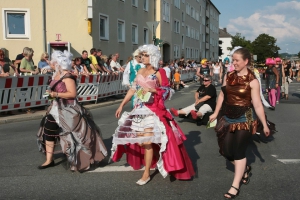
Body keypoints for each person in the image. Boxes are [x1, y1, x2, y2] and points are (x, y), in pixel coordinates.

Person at [111, 44, 195, 185]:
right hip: (139, 109)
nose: (142, 57)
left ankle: (146, 173)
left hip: (153, 110)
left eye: (145, 55)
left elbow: (168, 91)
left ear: (153, 56)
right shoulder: (140, 71)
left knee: (147, 142)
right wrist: (121, 105)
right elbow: (133, 90)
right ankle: (158, 158)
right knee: (141, 142)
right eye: (141, 55)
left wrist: (153, 90)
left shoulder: (159, 72)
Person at [209, 47, 270, 199]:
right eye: (233, 60)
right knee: (226, 151)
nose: (233, 63)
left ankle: (235, 186)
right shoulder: (228, 76)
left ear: (246, 61)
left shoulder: (253, 81)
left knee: (239, 151)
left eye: (236, 60)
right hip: (228, 115)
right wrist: (216, 113)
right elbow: (222, 96)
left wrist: (264, 124)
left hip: (246, 116)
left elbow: (256, 105)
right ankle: (245, 168)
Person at [36, 50, 107, 171]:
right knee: (48, 129)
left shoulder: (68, 77)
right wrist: (52, 95)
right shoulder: (56, 75)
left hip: (68, 109)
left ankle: (80, 159)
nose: (50, 63)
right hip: (56, 108)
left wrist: (55, 93)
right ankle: (49, 160)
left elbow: (72, 94)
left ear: (58, 63)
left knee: (74, 135)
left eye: (52, 61)